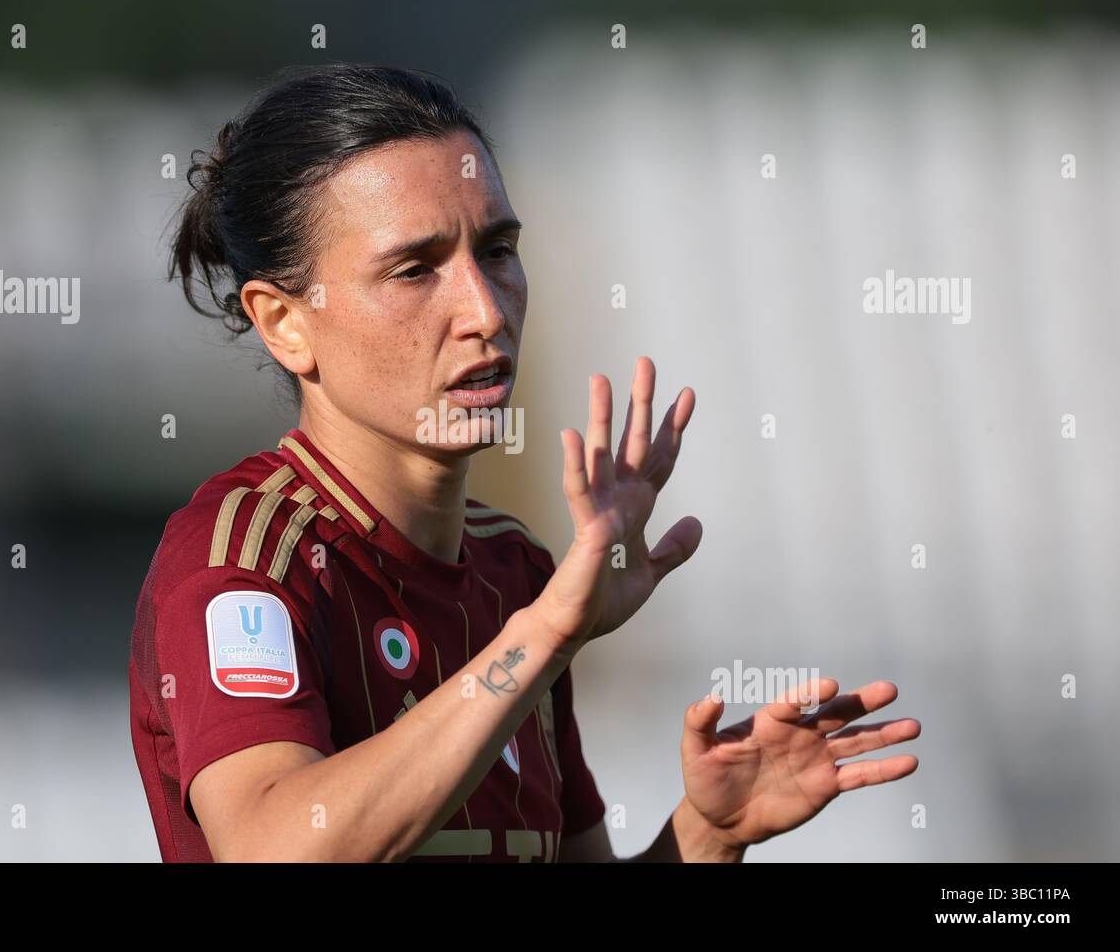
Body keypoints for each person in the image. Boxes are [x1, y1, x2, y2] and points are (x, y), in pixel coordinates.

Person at [128, 62, 920, 862]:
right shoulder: (243, 562)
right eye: (414, 268)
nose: (484, 309)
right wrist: (545, 636)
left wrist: (707, 837)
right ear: (285, 323)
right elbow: (276, 851)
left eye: (497, 250)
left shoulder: (515, 571)